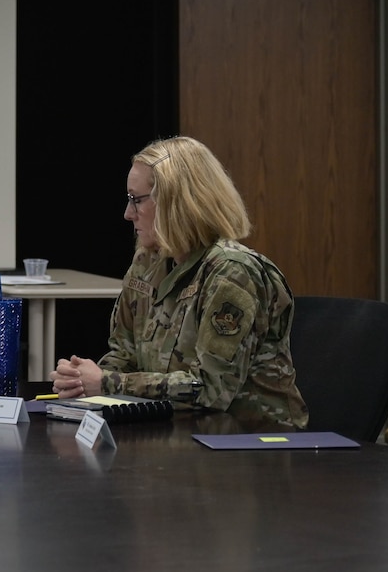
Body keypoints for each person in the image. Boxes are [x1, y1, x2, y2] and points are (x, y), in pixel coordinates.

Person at [51, 136, 307, 429]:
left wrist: (107, 382)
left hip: (248, 445)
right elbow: (124, 355)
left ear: (175, 201)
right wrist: (81, 381)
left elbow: (211, 390)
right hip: (175, 433)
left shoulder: (232, 272)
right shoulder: (147, 263)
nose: (127, 213)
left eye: (136, 199)